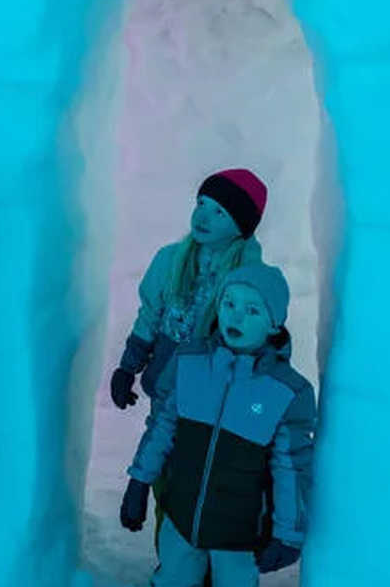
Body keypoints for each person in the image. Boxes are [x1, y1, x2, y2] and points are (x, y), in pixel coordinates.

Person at [118, 261, 316, 587]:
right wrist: (138, 483)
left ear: (274, 322)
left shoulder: (286, 390)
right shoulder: (190, 363)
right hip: (183, 508)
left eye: (251, 310)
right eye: (229, 304)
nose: (235, 317)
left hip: (240, 526)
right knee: (174, 576)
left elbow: (291, 467)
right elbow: (162, 428)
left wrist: (287, 532)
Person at [108, 170, 269, 413]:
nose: (203, 217)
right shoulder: (170, 260)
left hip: (218, 405)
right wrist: (127, 368)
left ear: (240, 226)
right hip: (165, 391)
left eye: (219, 212)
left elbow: (260, 345)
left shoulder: (251, 279)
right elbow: (150, 315)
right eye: (201, 204)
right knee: (154, 449)